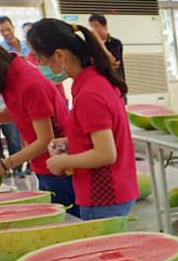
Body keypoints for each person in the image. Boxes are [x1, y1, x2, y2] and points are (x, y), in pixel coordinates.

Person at [26, 19, 138, 219]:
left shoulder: (89, 94)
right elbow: (104, 136)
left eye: (39, 58)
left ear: (59, 55)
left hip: (104, 196)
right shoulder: (97, 81)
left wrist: (63, 162)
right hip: (118, 188)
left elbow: (105, 153)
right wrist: (72, 142)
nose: (39, 65)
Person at [0, 32, 74, 208]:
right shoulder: (11, 74)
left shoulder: (29, 83)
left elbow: (45, 140)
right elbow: (20, 110)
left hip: (60, 168)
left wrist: (0, 166)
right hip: (44, 164)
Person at [88, 13, 125, 81]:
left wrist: (98, 40)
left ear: (105, 26)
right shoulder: (90, 45)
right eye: (91, 26)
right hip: (98, 81)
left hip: (115, 81)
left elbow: (113, 61)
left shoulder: (115, 43)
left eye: (96, 26)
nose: (93, 29)